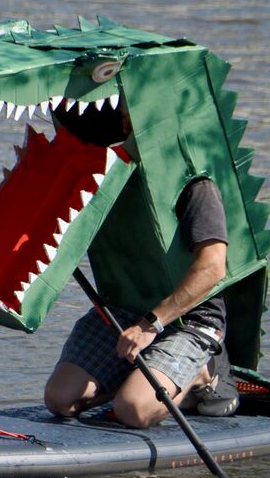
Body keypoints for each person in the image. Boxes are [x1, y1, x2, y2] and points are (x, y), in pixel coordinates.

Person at [43, 99, 239, 428]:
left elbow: (213, 268)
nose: (123, 125)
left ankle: (205, 373)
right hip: (125, 310)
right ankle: (142, 375)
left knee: (132, 409)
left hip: (190, 321)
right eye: (121, 117)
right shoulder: (109, 175)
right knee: (60, 399)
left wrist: (151, 325)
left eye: (130, 116)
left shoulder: (195, 186)